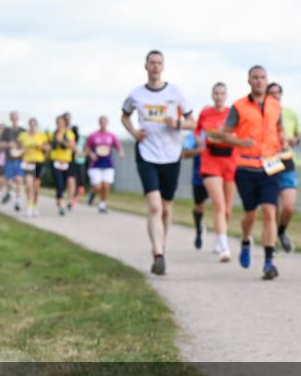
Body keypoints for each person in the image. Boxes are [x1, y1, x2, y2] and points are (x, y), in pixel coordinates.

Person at [121, 49, 195, 275]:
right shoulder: (136, 94)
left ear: (163, 67)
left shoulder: (176, 92)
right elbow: (124, 116)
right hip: (147, 154)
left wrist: (178, 125)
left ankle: (162, 243)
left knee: (166, 207)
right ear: (145, 66)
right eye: (151, 62)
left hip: (171, 155)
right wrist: (134, 132)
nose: (155, 66)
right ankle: (158, 253)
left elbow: (192, 122)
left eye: (158, 63)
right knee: (154, 206)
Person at [216, 65, 285, 280]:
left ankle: (268, 262)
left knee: (269, 212)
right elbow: (223, 135)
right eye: (255, 77)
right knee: (250, 215)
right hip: (245, 167)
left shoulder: (275, 106)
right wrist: (241, 141)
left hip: (270, 166)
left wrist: (282, 141)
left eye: (262, 77)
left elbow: (279, 129)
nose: (259, 81)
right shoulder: (238, 106)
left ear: (267, 80)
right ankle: (245, 240)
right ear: (249, 81)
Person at [195, 82, 237, 261]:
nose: (219, 96)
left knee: (227, 209)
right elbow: (198, 131)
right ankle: (224, 247)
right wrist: (199, 140)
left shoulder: (232, 114)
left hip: (230, 161)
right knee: (218, 205)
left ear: (226, 96)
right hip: (210, 161)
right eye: (216, 93)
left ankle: (219, 237)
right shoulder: (205, 112)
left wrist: (226, 135)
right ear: (212, 95)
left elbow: (239, 135)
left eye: (222, 93)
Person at [266, 82, 300, 253]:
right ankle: (271, 244)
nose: (275, 95)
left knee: (289, 206)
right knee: (273, 207)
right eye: (271, 93)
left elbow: (298, 135)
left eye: (277, 92)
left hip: (287, 162)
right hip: (269, 162)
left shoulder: (290, 113)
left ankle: (281, 232)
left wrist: (294, 140)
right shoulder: (263, 114)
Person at [85, 115, 124, 214]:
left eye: (104, 122)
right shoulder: (93, 136)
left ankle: (102, 205)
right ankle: (92, 193)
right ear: (99, 123)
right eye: (101, 122)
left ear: (107, 123)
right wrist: (91, 154)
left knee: (106, 186)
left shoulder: (111, 135)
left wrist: (120, 152)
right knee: (98, 186)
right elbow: (87, 148)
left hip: (108, 164)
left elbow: (118, 146)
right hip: (95, 164)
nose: (103, 124)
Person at [18, 117, 49, 217]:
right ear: (29, 125)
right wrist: (21, 151)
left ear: (36, 125)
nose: (32, 126)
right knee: (28, 185)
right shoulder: (23, 136)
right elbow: (18, 148)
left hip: (38, 162)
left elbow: (47, 149)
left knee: (36, 188)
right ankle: (29, 207)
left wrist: (42, 148)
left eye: (34, 124)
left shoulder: (42, 135)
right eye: (31, 124)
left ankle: (35, 206)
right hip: (27, 162)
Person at [49, 115, 77, 216]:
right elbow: (48, 145)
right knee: (59, 183)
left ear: (64, 123)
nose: (59, 124)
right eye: (57, 122)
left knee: (69, 181)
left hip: (67, 161)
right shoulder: (53, 134)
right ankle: (61, 205)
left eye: (61, 122)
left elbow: (73, 146)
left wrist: (62, 141)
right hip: (55, 161)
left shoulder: (69, 133)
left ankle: (69, 200)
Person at [0, 111, 26, 212]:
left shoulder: (23, 131)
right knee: (10, 182)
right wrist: (8, 144)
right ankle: (9, 193)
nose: (14, 119)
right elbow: (0, 144)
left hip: (19, 159)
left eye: (16, 117)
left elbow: (26, 145)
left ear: (18, 118)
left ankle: (17, 202)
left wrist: (19, 146)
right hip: (9, 159)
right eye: (13, 117)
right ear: (10, 118)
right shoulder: (6, 131)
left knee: (19, 180)